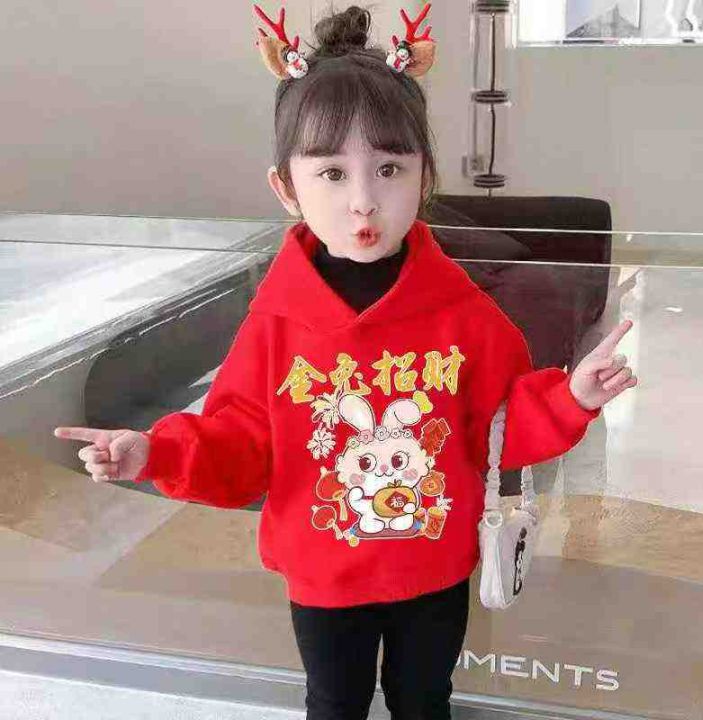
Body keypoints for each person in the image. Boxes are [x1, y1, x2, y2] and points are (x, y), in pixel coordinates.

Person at [54, 4, 638, 718]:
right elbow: (240, 441)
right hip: (324, 576)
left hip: (434, 568)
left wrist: (571, 397)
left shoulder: (464, 315)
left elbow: (499, 428)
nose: (363, 200)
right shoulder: (276, 324)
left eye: (389, 168)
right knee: (334, 703)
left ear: (424, 177)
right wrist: (156, 452)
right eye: (331, 172)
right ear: (286, 188)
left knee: (424, 700)